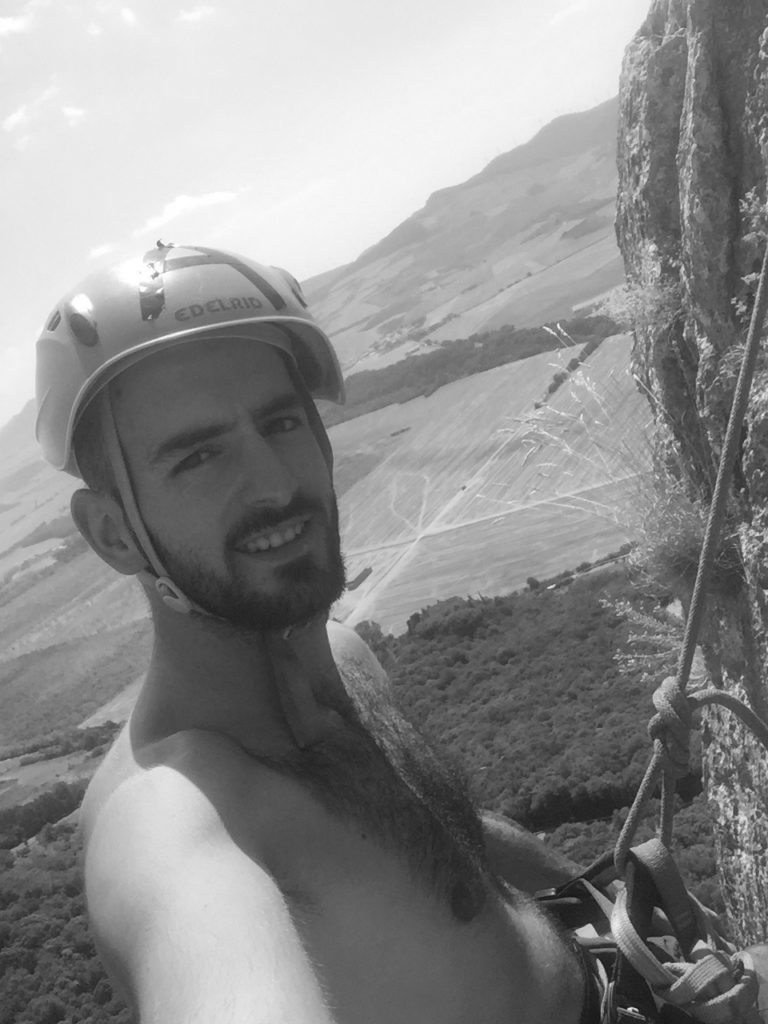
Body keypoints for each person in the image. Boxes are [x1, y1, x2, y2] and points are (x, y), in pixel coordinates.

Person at [35, 242, 591, 1024]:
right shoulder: (172, 819)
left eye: (281, 421)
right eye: (198, 456)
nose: (274, 481)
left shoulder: (344, 659)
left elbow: (439, 845)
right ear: (113, 533)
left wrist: (598, 901)